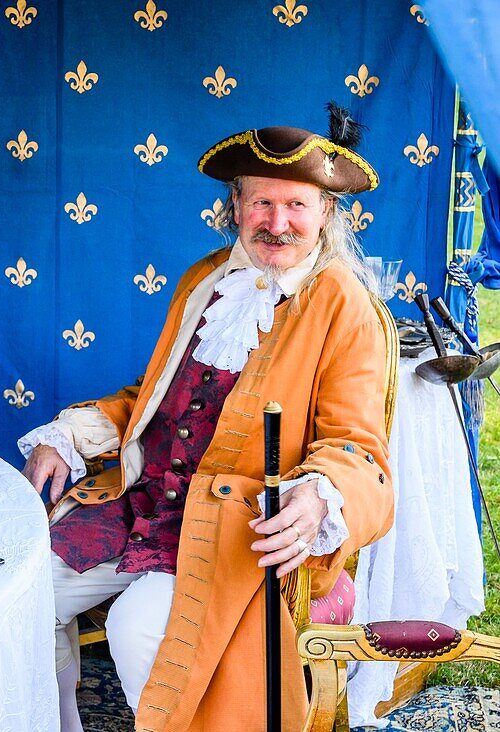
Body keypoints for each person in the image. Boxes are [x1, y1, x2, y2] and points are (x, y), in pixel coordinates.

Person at [20, 106, 396, 731]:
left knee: (136, 626)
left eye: (297, 206)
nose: (278, 224)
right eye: (262, 204)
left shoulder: (345, 306)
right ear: (235, 204)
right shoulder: (205, 281)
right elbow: (156, 395)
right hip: (143, 502)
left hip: (236, 528)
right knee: (21, 595)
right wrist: (71, 436)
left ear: (326, 213)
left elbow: (357, 447)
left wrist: (317, 497)